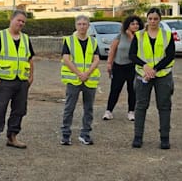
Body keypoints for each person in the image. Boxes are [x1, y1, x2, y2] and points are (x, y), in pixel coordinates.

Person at [0, 10, 34, 154]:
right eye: (18, 20)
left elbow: (30, 58)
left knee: (19, 110)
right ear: (11, 20)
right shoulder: (0, 36)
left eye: (23, 22)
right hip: (5, 81)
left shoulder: (25, 38)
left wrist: (31, 77)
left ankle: (12, 137)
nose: (21, 23)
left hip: (22, 81)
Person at [129, 7, 175, 149]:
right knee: (141, 106)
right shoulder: (139, 36)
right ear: (147, 19)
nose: (153, 21)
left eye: (156, 19)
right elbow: (132, 55)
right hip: (143, 74)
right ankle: (138, 137)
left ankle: (164, 138)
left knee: (164, 106)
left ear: (160, 19)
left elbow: (170, 55)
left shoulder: (167, 35)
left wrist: (155, 69)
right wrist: (145, 67)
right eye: (150, 19)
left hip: (163, 75)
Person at [60, 15, 100, 146]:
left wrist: (87, 73)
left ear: (88, 26)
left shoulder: (93, 41)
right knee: (69, 108)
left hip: (89, 80)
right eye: (79, 24)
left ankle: (85, 134)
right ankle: (66, 135)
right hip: (74, 80)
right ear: (76, 25)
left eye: (84, 24)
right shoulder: (69, 40)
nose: (82, 26)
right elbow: (66, 59)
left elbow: (96, 59)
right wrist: (79, 73)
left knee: (88, 109)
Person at [103, 15, 144, 121]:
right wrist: (109, 63)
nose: (135, 26)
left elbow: (140, 49)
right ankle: (109, 111)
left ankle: (131, 111)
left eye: (137, 24)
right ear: (127, 25)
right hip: (119, 66)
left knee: (132, 90)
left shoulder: (141, 36)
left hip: (132, 66)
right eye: (132, 24)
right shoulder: (120, 35)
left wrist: (131, 36)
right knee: (115, 89)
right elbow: (113, 49)